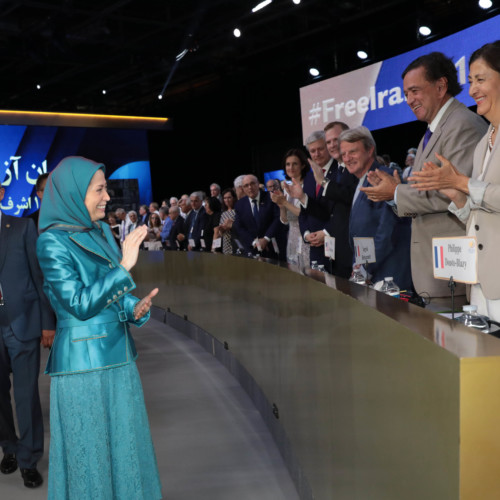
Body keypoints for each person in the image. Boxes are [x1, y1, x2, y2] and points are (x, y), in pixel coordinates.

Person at [36, 156, 162, 500]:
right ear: (75, 193)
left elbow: (110, 294)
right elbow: (78, 303)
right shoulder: (51, 242)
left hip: (120, 361)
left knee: (128, 452)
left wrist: (132, 308)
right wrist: (124, 265)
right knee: (90, 460)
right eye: (99, 189)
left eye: (106, 188)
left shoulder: (102, 230)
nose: (108, 196)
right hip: (82, 371)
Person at [360, 51, 487, 300]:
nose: (409, 99)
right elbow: (428, 188)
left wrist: (396, 192)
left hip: (454, 273)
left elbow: (453, 191)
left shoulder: (462, 125)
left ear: (441, 86)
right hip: (435, 271)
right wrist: (397, 191)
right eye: (406, 93)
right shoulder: (431, 131)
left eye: (415, 91)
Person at [409, 41, 500, 321]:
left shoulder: (467, 126)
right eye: (471, 80)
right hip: (482, 286)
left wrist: (463, 183)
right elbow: (479, 213)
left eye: (481, 79)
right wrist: (456, 195)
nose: (473, 89)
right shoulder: (485, 141)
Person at [0, 182, 55, 489]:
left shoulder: (21, 227)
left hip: (21, 323)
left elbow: (39, 277)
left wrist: (47, 322)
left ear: (1, 193)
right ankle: (8, 446)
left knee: (26, 395)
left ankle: (28, 458)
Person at [341, 127, 412, 288]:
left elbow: (388, 230)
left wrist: (366, 268)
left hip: (388, 275)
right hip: (371, 272)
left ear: (369, 150)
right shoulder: (361, 180)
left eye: (352, 152)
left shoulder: (384, 177)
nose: (347, 158)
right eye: (343, 154)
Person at [271, 149, 310, 266]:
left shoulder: (308, 185)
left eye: (295, 164)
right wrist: (281, 206)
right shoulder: (287, 188)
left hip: (306, 237)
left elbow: (306, 214)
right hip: (292, 239)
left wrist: (286, 203)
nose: (290, 167)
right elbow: (284, 221)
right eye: (288, 164)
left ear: (303, 165)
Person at [233, 174, 284, 259]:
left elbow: (278, 218)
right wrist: (254, 242)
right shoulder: (239, 204)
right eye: (246, 185)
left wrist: (266, 239)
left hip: (273, 247)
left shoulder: (271, 197)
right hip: (253, 249)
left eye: (252, 183)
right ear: (243, 188)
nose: (250, 187)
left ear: (258, 184)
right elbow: (239, 227)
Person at [216, 188, 237, 255]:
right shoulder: (223, 213)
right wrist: (221, 230)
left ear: (233, 198)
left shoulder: (237, 211)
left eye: (229, 198)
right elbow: (220, 233)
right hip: (225, 244)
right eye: (225, 198)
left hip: (235, 242)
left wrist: (230, 225)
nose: (227, 200)